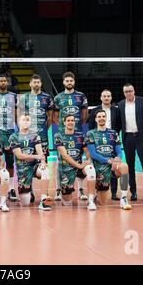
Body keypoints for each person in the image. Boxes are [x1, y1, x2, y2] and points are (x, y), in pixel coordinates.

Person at [85, 110, 132, 210]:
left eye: (103, 116)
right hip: (98, 166)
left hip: (112, 166)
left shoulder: (113, 133)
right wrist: (109, 161)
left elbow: (119, 151)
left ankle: (123, 199)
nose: (101, 118)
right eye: (99, 117)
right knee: (102, 203)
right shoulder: (90, 134)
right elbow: (93, 154)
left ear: (106, 118)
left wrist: (118, 158)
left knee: (124, 166)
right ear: (96, 119)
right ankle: (95, 193)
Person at [53, 71, 88, 201]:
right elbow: (55, 116)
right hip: (63, 134)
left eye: (71, 81)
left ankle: (80, 189)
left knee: (79, 159)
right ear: (63, 82)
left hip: (77, 133)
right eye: (67, 81)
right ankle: (58, 189)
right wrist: (63, 127)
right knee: (60, 161)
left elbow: (84, 114)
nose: (69, 83)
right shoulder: (58, 97)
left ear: (74, 82)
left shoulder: (81, 96)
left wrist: (76, 127)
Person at [118, 83, 143, 201]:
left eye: (130, 91)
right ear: (124, 93)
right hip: (128, 138)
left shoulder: (142, 101)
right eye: (126, 91)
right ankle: (133, 192)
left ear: (134, 91)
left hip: (141, 137)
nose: (128, 93)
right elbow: (119, 123)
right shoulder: (121, 104)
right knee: (130, 166)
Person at [9, 114, 52, 211]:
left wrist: (42, 161)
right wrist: (37, 156)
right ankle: (29, 189)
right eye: (23, 120)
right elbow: (19, 155)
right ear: (18, 122)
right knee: (25, 203)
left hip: (34, 166)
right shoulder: (14, 137)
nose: (25, 122)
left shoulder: (35, 135)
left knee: (45, 170)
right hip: (22, 170)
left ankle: (43, 201)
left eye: (28, 120)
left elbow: (40, 152)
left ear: (30, 122)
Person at [55, 115, 95, 210]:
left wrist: (88, 160)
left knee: (90, 169)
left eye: (72, 120)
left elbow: (87, 151)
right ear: (64, 122)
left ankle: (91, 201)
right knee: (67, 203)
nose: (70, 122)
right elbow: (65, 155)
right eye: (68, 120)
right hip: (66, 168)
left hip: (79, 167)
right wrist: (79, 165)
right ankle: (61, 190)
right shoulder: (58, 136)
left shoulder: (80, 136)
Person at [88, 89, 122, 200]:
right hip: (98, 143)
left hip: (111, 141)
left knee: (116, 165)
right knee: (99, 168)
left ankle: (114, 193)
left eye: (108, 96)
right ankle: (96, 191)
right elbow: (91, 127)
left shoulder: (116, 110)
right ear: (101, 98)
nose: (106, 98)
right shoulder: (95, 111)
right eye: (104, 96)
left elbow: (119, 125)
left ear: (111, 98)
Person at [17, 74, 54, 155]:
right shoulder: (24, 97)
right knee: (29, 158)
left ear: (41, 84)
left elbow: (50, 117)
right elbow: (19, 116)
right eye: (34, 82)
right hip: (28, 134)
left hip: (42, 134)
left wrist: (44, 128)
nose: (36, 84)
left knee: (43, 159)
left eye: (38, 82)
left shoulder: (47, 97)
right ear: (30, 84)